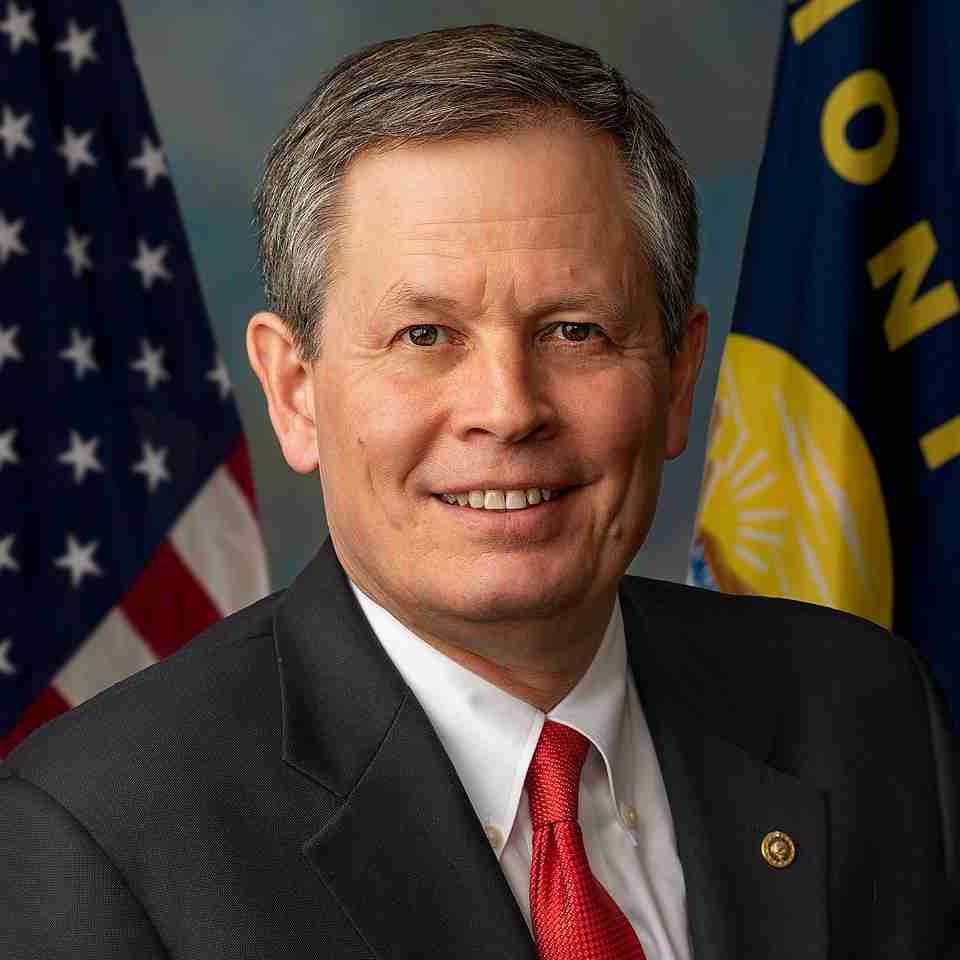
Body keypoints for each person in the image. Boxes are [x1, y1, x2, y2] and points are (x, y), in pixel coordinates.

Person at [2, 23, 957, 959]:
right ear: (294, 392)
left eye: (575, 330)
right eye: (424, 336)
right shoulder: (100, 835)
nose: (508, 411)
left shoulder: (863, 710)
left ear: (677, 378)